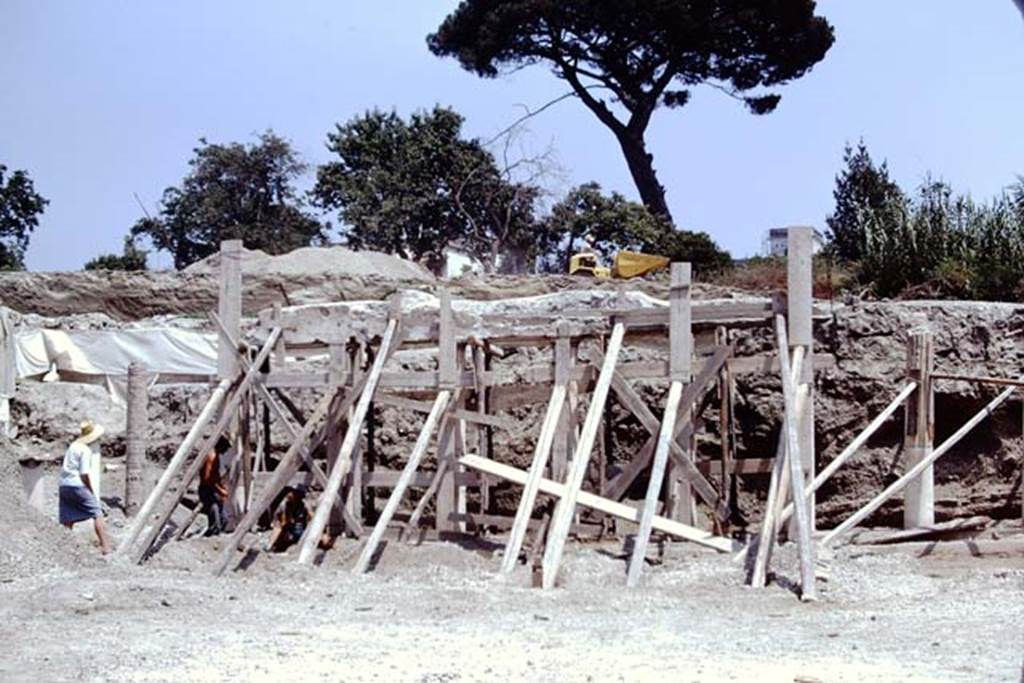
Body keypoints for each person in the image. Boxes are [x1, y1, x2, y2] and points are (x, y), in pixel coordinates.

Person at [58, 420, 113, 554]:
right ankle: (106, 547)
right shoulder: (85, 450)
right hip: (77, 484)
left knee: (67, 517)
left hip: (64, 485)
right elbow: (84, 474)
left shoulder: (73, 446)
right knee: (97, 512)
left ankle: (65, 547)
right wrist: (90, 489)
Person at [198, 436, 231, 537]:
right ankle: (210, 538)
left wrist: (221, 486)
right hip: (208, 490)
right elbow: (208, 479)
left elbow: (214, 476)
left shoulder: (214, 455)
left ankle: (213, 536)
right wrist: (220, 490)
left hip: (211, 489)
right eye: (225, 448)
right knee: (216, 520)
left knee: (223, 518)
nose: (226, 451)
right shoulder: (212, 457)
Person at [268, 485, 311, 552]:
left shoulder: (304, 505)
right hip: (287, 529)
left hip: (300, 530)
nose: (290, 494)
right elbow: (283, 523)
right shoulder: (284, 506)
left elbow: (310, 519)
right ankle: (270, 546)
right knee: (279, 530)